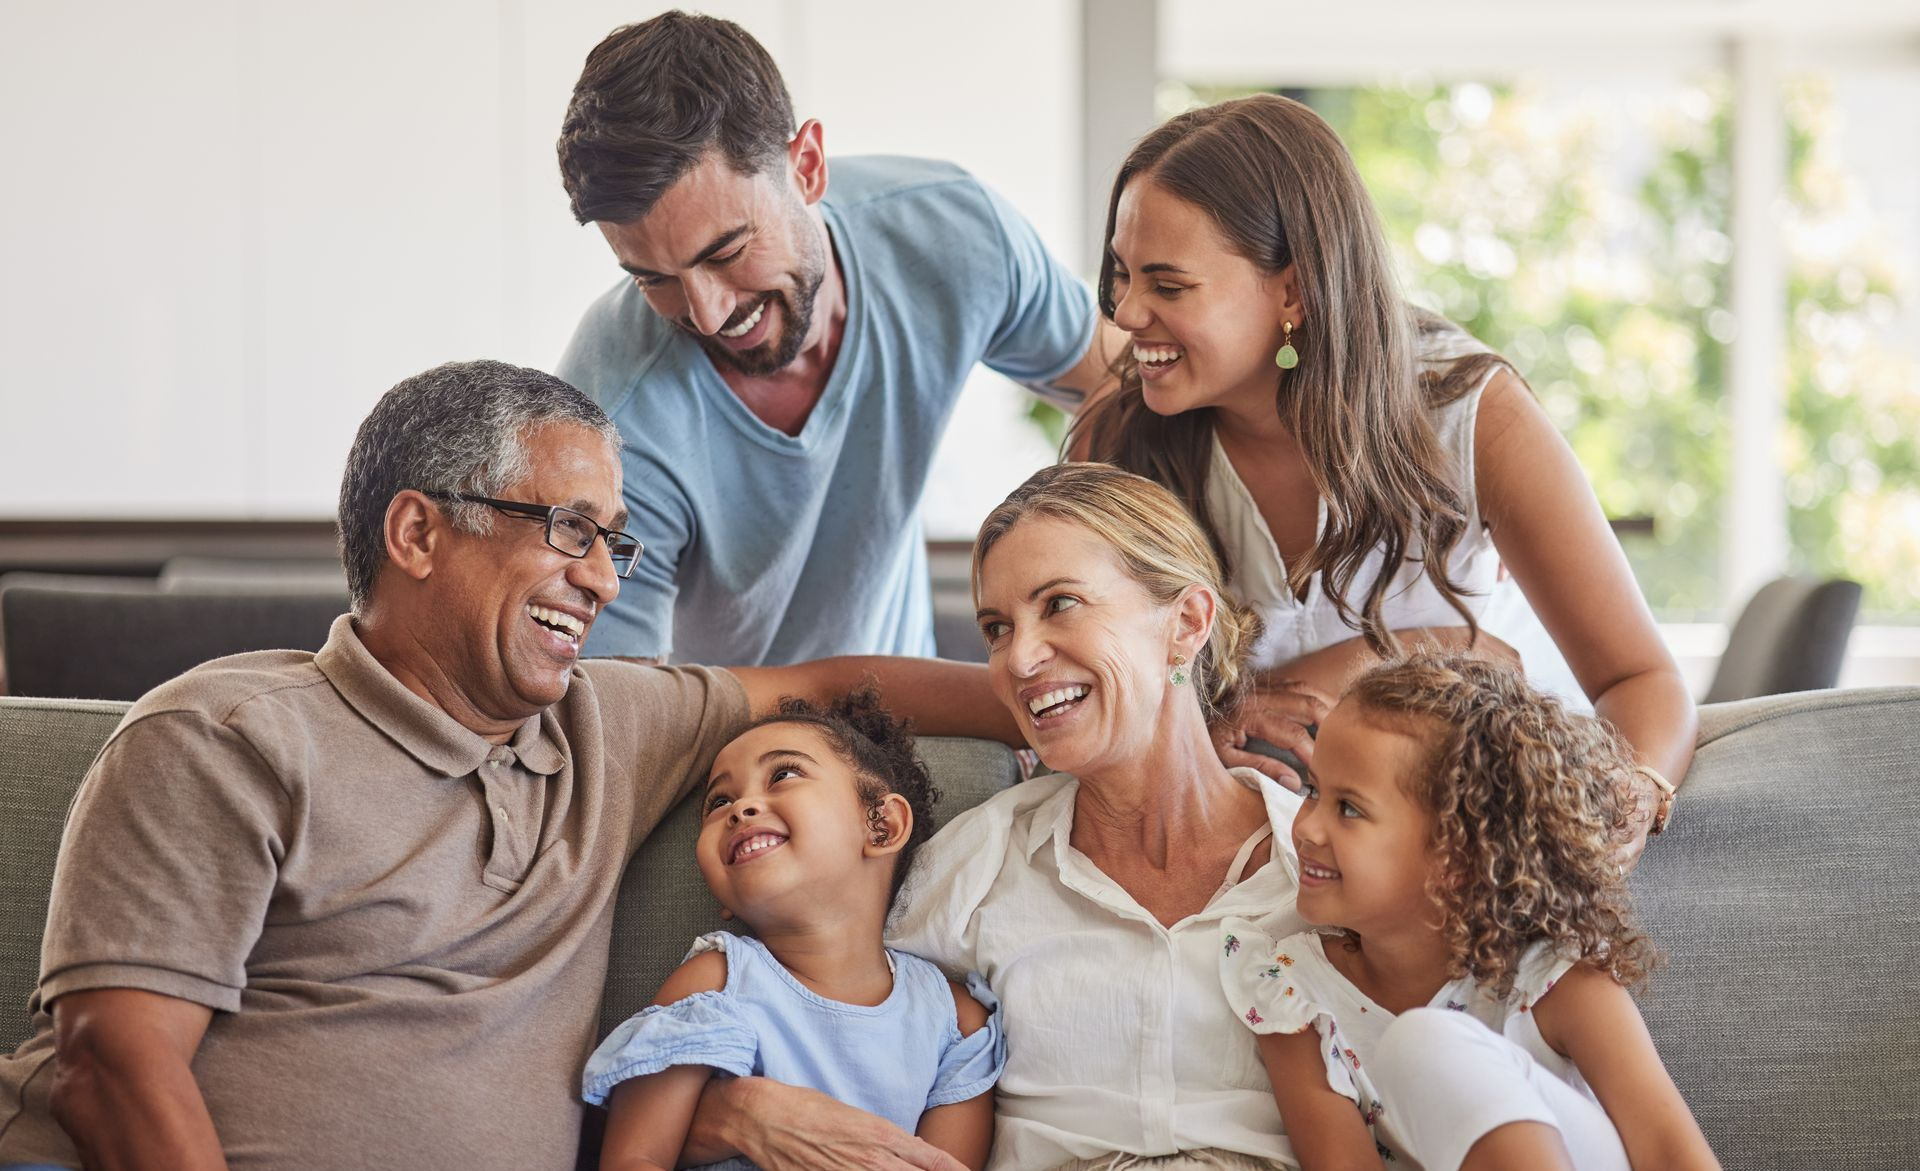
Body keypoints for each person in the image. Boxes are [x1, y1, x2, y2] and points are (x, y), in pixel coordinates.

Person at [0, 360, 1013, 1171]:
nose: (606, 580)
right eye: (571, 529)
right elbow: (109, 1072)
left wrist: (1067, 712)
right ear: (417, 532)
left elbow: (829, 681)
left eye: (617, 542)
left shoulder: (609, 723)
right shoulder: (225, 735)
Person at [1070, 94, 1694, 836]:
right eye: (1122, 275)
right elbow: (1089, 692)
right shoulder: (1121, 437)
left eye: (1168, 285)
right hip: (1249, 856)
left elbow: (1641, 680)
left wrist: (1624, 807)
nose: (1124, 315)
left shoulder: (1469, 415)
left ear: (1293, 292)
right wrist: (1376, 658)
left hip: (1464, 832)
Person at [555, 11, 1122, 667]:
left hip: (914, 734)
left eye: (728, 251)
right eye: (653, 279)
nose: (706, 315)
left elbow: (1129, 389)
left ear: (808, 166)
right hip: (712, 756)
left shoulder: (952, 234)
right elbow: (626, 717)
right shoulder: (611, 415)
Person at [805, 461, 1289, 1171]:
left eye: (1060, 603)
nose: (1019, 659)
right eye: (997, 627)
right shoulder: (975, 867)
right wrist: (733, 1110)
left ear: (1185, 623)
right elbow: (843, 1052)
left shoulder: (1319, 865)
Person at [1220, 654, 1718, 1171]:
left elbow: (1670, 1152)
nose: (1305, 828)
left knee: (1422, 1043)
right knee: (1418, 1046)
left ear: (1459, 856)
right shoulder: (1293, 992)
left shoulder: (1554, 976)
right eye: (1314, 791)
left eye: (1349, 808)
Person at [584, 689, 1003, 1171]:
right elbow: (634, 1159)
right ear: (719, 894)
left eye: (783, 774)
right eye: (719, 801)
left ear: (881, 826)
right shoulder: (716, 984)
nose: (740, 809)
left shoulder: (956, 1020)